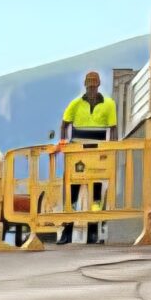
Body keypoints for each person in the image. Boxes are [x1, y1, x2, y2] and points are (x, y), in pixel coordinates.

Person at [57, 70, 118, 244]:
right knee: (72, 193)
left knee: (96, 196)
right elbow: (64, 124)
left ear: (98, 85)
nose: (91, 88)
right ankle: (67, 232)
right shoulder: (75, 104)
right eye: (89, 85)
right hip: (77, 153)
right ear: (85, 85)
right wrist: (64, 143)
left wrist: (113, 149)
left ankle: (93, 232)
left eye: (94, 85)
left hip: (98, 153)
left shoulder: (109, 104)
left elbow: (113, 128)